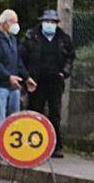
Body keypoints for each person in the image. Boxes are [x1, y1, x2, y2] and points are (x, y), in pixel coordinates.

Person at [21, 10, 75, 157]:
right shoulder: (31, 37)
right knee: (35, 112)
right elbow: (22, 58)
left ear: (57, 24)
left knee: (55, 114)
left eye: (52, 22)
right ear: (42, 22)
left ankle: (56, 146)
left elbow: (70, 58)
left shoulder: (63, 39)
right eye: (47, 22)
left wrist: (64, 72)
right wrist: (26, 77)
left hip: (55, 82)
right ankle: (33, 144)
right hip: (36, 82)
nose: (49, 25)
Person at [0, 9, 36, 157]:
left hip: (13, 84)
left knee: (14, 116)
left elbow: (17, 61)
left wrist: (26, 78)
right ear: (5, 23)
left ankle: (11, 145)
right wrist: (8, 77)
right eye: (14, 22)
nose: (17, 25)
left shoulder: (12, 39)